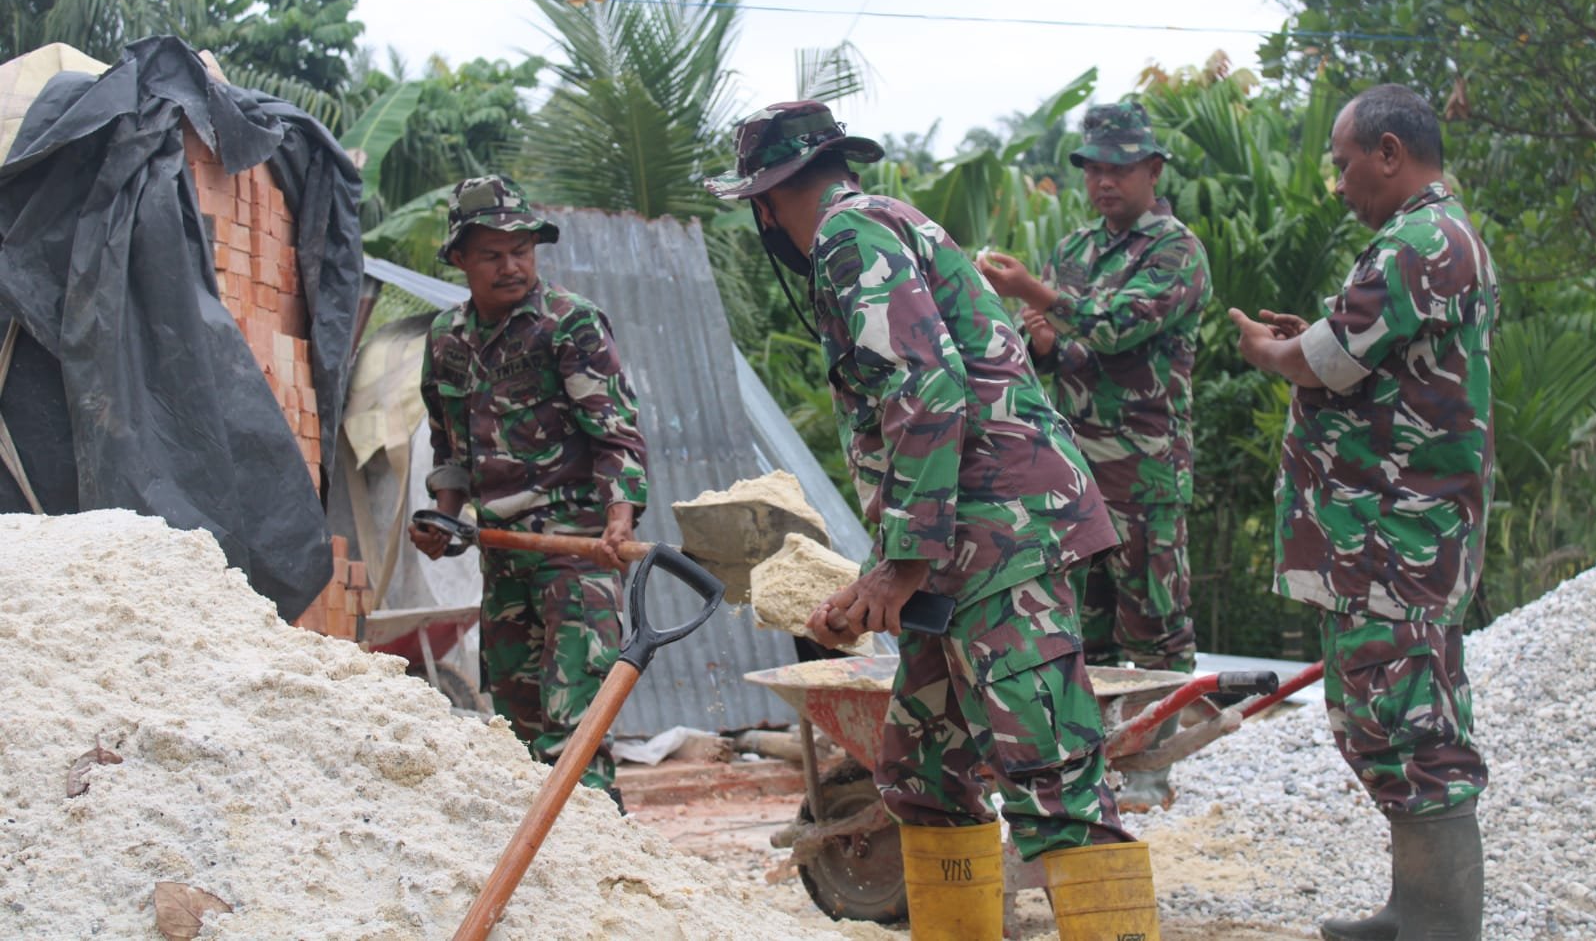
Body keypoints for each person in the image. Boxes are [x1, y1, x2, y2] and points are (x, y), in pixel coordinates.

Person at [705, 101, 1158, 941]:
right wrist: (890, 571)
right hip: (956, 552)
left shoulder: (850, 237)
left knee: (1054, 779)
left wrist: (900, 564)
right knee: (925, 774)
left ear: (766, 201)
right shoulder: (885, 225)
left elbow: (927, 389)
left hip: (1000, 544)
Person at [1228, 84, 1494, 941]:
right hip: (1390, 541)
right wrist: (1312, 339)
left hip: (1395, 542)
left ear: (1389, 151)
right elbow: (1366, 351)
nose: (1339, 185)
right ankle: (1417, 910)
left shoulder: (1419, 239)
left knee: (1410, 725)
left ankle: (1439, 923)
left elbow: (1328, 363)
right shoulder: (1427, 239)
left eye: (1345, 166)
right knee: (1390, 719)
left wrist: (1271, 349)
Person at [980, 99, 1212, 812]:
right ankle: (1094, 763)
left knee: (1156, 621)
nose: (1105, 181)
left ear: (1152, 169)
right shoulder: (1076, 250)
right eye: (1094, 169)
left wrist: (1033, 292)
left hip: (1144, 468)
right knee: (1087, 623)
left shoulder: (1175, 249)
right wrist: (1043, 339)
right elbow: (1061, 346)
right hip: (1074, 469)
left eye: (1119, 167)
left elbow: (1115, 328)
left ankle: (1151, 767)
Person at [408, 175, 648, 810]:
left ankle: (600, 865)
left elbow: (616, 437)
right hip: (502, 556)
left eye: (522, 250)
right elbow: (450, 455)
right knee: (516, 739)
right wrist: (442, 520)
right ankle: (540, 882)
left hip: (576, 555)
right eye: (492, 254)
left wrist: (619, 521)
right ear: (460, 257)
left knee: (574, 734)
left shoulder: (570, 325)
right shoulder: (446, 341)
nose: (511, 266)